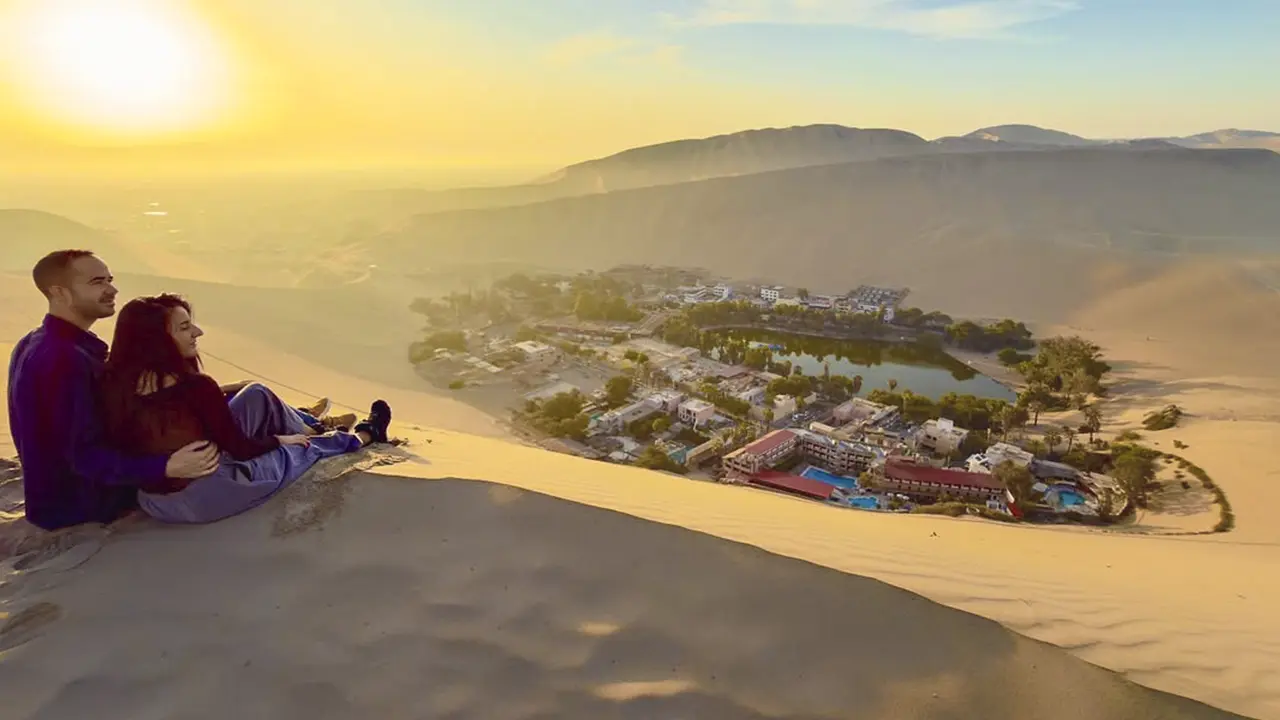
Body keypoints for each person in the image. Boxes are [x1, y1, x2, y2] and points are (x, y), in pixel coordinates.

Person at [98, 293, 392, 524]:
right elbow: (243, 450)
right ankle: (364, 436)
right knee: (302, 448)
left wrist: (228, 389)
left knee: (255, 394)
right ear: (157, 340)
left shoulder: (113, 382)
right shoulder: (197, 388)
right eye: (185, 327)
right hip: (209, 497)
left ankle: (311, 423)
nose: (197, 332)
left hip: (154, 501)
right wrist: (280, 441)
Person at [8, 250, 221, 531]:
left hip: (66, 498)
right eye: (97, 282)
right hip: (84, 505)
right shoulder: (62, 360)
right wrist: (165, 467)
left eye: (109, 280)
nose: (112, 290)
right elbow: (80, 455)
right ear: (60, 293)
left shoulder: (38, 343)